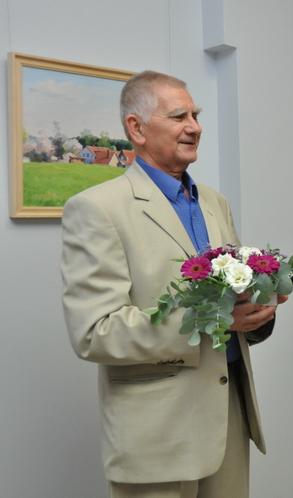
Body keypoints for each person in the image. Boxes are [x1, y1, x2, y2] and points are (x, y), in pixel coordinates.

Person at [61, 70, 279, 498]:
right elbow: (95, 332)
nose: (195, 127)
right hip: (157, 433)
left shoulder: (215, 202)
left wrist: (258, 312)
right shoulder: (96, 209)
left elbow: (230, 294)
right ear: (136, 128)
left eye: (196, 115)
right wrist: (215, 320)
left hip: (229, 418)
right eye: (179, 116)